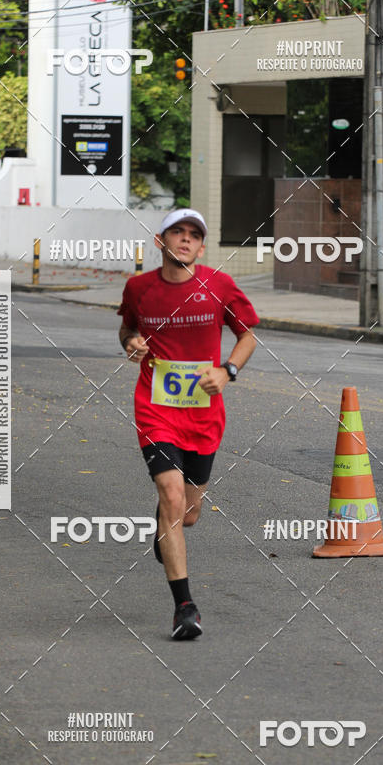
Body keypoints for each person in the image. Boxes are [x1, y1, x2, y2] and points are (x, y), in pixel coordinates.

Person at [118, 208, 259, 639]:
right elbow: (127, 329)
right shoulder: (139, 288)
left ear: (200, 247)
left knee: (189, 513)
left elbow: (248, 334)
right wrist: (131, 343)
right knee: (172, 494)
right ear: (160, 241)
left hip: (203, 415)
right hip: (156, 409)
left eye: (193, 235)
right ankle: (185, 608)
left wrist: (228, 371)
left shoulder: (219, 285)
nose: (184, 239)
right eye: (176, 232)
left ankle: (168, 521)